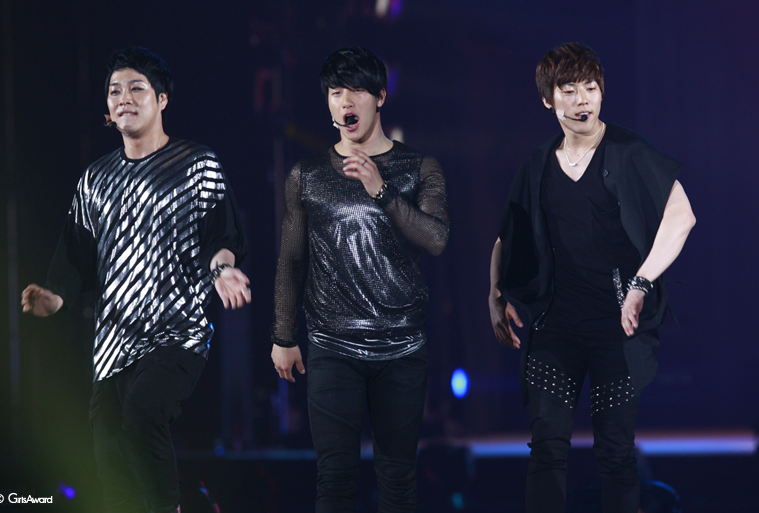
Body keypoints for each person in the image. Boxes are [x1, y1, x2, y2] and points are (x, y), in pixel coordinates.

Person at [21, 47, 250, 513]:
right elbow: (76, 255)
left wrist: (223, 269)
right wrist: (56, 297)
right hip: (113, 344)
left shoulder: (196, 164)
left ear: (162, 99)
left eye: (136, 88)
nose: (123, 98)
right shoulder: (95, 179)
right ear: (107, 108)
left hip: (177, 333)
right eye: (114, 91)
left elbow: (221, 236)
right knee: (111, 460)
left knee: (143, 412)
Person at [489, 43, 695, 513]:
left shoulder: (627, 152)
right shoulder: (538, 162)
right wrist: (493, 294)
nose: (583, 99)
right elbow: (507, 235)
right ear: (548, 99)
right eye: (569, 90)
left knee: (616, 452)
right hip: (556, 325)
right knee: (546, 448)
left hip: (614, 327)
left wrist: (641, 283)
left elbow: (681, 216)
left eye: (591, 87)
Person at [270, 46, 449, 512]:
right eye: (335, 92)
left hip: (402, 347)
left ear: (381, 97)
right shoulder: (307, 174)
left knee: (397, 479)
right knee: (334, 478)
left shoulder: (419, 167)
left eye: (356, 91)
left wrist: (381, 190)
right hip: (332, 346)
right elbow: (291, 258)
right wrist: (283, 335)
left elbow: (436, 239)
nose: (345, 101)